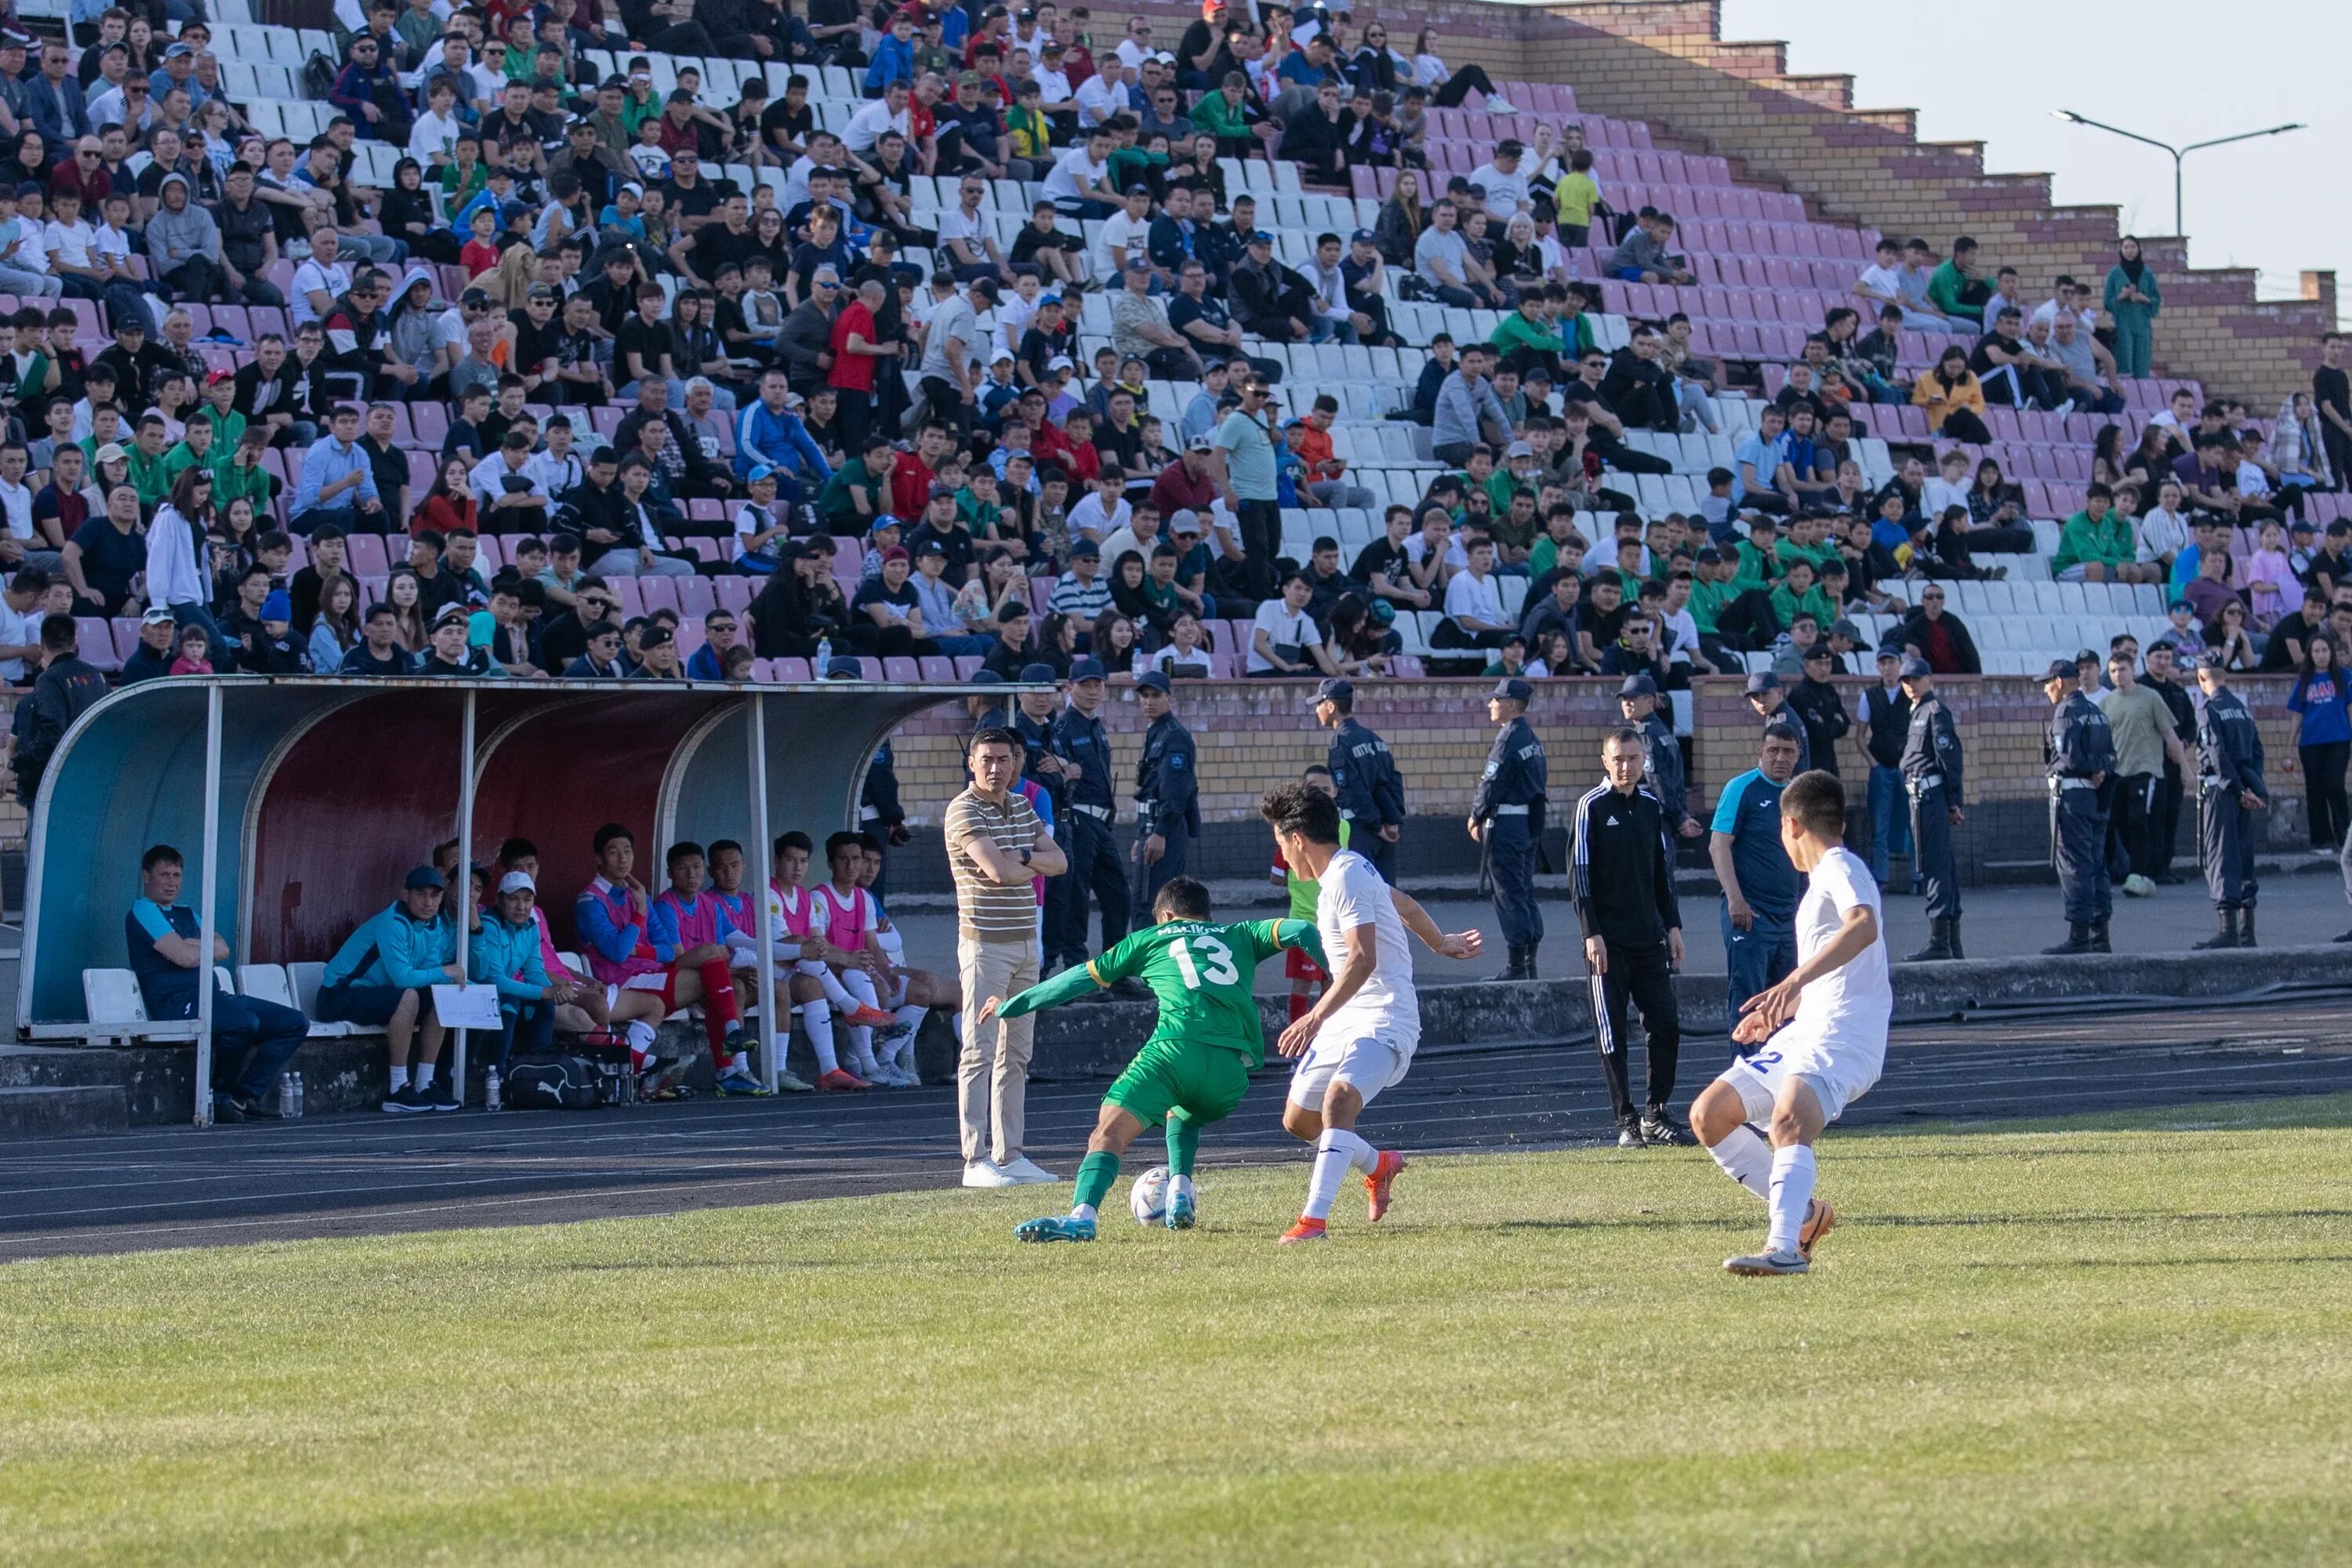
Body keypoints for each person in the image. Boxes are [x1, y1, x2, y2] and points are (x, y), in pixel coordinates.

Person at [995, 876, 1325, 1242]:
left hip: (1175, 1051)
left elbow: (1076, 979)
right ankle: (1180, 1187)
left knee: (1108, 1131)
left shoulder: (1148, 939)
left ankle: (1082, 1216)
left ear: (1166, 916)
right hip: (1232, 1073)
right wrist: (1341, 976)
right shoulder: (1241, 933)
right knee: (1184, 1106)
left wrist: (1014, 1004)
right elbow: (1302, 929)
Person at [1261, 779, 1481, 1245]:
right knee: (1299, 1123)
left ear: (1296, 839)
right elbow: (1401, 903)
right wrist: (1440, 942)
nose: (1281, 854)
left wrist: (1315, 1015)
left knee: (1339, 1101)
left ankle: (1313, 1223)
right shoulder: (1342, 875)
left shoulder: (1345, 876)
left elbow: (1364, 959)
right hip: (1346, 1018)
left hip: (1386, 1016)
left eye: (1280, 843)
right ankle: (1378, 1164)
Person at [1690, 769, 1887, 1276]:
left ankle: (1785, 1250)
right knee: (1709, 1114)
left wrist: (1792, 982)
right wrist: (1780, 1010)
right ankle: (1804, 1212)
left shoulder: (1840, 866)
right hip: (1808, 1029)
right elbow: (1837, 966)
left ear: (1792, 826)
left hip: (1845, 1035)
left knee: (1787, 1123)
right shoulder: (1822, 880)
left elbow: (1863, 926)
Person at [946, 725, 1069, 1187]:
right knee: (978, 1051)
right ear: (972, 763)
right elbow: (996, 872)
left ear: (1016, 762)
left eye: (1005, 759)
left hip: (1025, 943)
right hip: (984, 944)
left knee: (1016, 1053)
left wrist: (1020, 854)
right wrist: (1025, 860)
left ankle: (1010, 1153)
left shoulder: (1021, 805)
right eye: (987, 760)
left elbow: (1059, 862)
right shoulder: (963, 810)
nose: (996, 768)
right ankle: (975, 1160)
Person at [127, 843, 311, 1123]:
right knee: (244, 1022)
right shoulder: (143, 910)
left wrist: (191, 944)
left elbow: (224, 949)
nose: (171, 883)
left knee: (295, 1022)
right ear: (146, 876)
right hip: (176, 1002)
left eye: (177, 875)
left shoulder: (188, 913)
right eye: (164, 875)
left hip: (214, 996)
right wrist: (196, 947)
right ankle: (221, 1098)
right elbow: (183, 958)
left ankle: (244, 1095)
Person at [1571, 725, 1686, 1148]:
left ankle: (1656, 1113)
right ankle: (1626, 1120)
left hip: (1649, 940)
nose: (1625, 767)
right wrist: (1592, 933)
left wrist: (1672, 925)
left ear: (1644, 761)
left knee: (1667, 1026)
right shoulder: (1591, 807)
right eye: (1618, 759)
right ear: (1605, 761)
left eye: (1633, 759)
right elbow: (1579, 876)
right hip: (1607, 944)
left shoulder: (1651, 806)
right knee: (1611, 1031)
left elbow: (1662, 873)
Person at [573, 823, 752, 1093]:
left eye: (628, 851)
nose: (623, 859)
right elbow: (618, 953)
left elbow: (667, 950)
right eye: (614, 852)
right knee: (711, 968)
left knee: (714, 968)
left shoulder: (636, 894)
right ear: (599, 858)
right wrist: (640, 911)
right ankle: (728, 1059)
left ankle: (728, 1053)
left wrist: (640, 949)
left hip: (651, 974)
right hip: (620, 983)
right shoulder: (590, 901)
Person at [315, 864, 462, 1112]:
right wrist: (447, 973)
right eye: (421, 894)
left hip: (378, 994)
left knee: (441, 997)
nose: (428, 902)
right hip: (339, 994)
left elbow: (429, 970)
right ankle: (397, 1089)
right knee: (409, 996)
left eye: (434, 895)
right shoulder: (393, 921)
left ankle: (425, 1083)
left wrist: (450, 979)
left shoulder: (433, 923)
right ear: (406, 895)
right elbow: (404, 979)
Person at [648, 840, 768, 1096]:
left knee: (734, 986)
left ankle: (733, 1071)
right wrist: (728, 966)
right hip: (675, 976)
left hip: (709, 977)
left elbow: (724, 953)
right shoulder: (665, 905)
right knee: (710, 954)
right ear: (670, 872)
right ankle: (734, 1041)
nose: (691, 875)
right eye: (683, 868)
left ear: (704, 870)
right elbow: (678, 956)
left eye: (696, 867)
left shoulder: (710, 905)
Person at [1711, 722, 1803, 1020]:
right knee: (1748, 1002)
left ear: (1798, 755)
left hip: (1789, 916)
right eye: (1773, 750)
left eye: (1788, 752)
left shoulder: (1799, 794)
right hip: (1751, 914)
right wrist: (1736, 900)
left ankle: (1780, 1066)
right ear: (1760, 752)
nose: (1780, 758)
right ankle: (1745, 1064)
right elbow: (1718, 846)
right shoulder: (1742, 788)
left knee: (1788, 1005)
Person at [1046, 656, 1129, 971]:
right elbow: (1055, 769)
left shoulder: (1095, 726)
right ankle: (1077, 969)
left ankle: (1115, 969)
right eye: (1085, 685)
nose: (1093, 692)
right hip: (1078, 819)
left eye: (1098, 685)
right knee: (1077, 899)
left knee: (1119, 895)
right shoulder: (1064, 727)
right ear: (1070, 688)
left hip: (1101, 821)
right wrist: (1067, 768)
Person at [1469, 677, 1546, 979]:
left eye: (1496, 699)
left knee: (1508, 893)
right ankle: (1529, 963)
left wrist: (1476, 814)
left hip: (1508, 824)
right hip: (1527, 823)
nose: (1491, 704)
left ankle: (1517, 967)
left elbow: (1492, 781)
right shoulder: (1531, 738)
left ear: (1511, 705)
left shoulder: (1508, 738)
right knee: (1524, 890)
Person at [470, 870, 582, 1076]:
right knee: (509, 1002)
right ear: (500, 900)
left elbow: (534, 972)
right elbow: (493, 980)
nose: (521, 907)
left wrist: (553, 991)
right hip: (473, 990)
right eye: (513, 899)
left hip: (499, 991)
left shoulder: (530, 927)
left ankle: (538, 1070)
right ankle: (498, 1075)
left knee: (544, 1005)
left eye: (527, 899)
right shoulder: (489, 924)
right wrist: (544, 992)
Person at [2042, 656, 2115, 955]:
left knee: (2074, 865)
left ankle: (2079, 935)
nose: (2046, 690)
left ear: (2059, 682)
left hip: (2071, 797)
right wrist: (2099, 770)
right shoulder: (2096, 711)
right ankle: (2100, 935)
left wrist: (2090, 768)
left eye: (2047, 684)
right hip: (2095, 797)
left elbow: (2069, 758)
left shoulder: (2066, 712)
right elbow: (2112, 757)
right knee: (2096, 864)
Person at [2193, 651, 2267, 949]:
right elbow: (2258, 752)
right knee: (2244, 855)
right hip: (2244, 793)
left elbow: (2216, 754)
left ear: (2201, 678)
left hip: (2222, 792)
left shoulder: (2210, 710)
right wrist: (2252, 791)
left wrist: (2236, 790)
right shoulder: (2241, 709)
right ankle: (2248, 931)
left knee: (2221, 856)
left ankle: (2228, 930)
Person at [1896, 656, 1965, 960]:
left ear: (1929, 678)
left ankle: (1941, 941)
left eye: (1915, 678)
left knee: (1934, 864)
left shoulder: (1935, 711)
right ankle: (1951, 941)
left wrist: (1954, 802)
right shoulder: (1918, 711)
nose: (1910, 685)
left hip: (1931, 796)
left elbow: (1949, 759)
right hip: (1922, 796)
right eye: (1905, 680)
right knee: (1940, 864)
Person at [1314, 676, 1403, 884]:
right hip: (1385, 829)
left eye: (1319, 704)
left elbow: (1352, 789)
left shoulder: (1341, 741)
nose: (1316, 709)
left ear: (1331, 706)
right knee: (1386, 898)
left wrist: (1376, 827)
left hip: (1359, 828)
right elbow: (1394, 780)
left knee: (1360, 895)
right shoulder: (1373, 738)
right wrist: (1393, 822)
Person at [14, 612, 106, 805]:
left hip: (60, 782)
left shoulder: (50, 679)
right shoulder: (97, 676)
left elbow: (52, 735)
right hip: (95, 775)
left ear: (42, 646)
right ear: (74, 642)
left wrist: (17, 764)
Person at [1130, 670, 1198, 917]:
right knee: (1146, 902)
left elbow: (1176, 791)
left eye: (1156, 695)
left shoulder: (1174, 735)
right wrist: (1143, 834)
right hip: (1152, 826)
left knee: (1152, 904)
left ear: (1169, 697)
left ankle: (1155, 956)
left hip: (1164, 827)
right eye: (1144, 696)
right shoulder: (1157, 731)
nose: (1149, 701)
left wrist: (1160, 832)